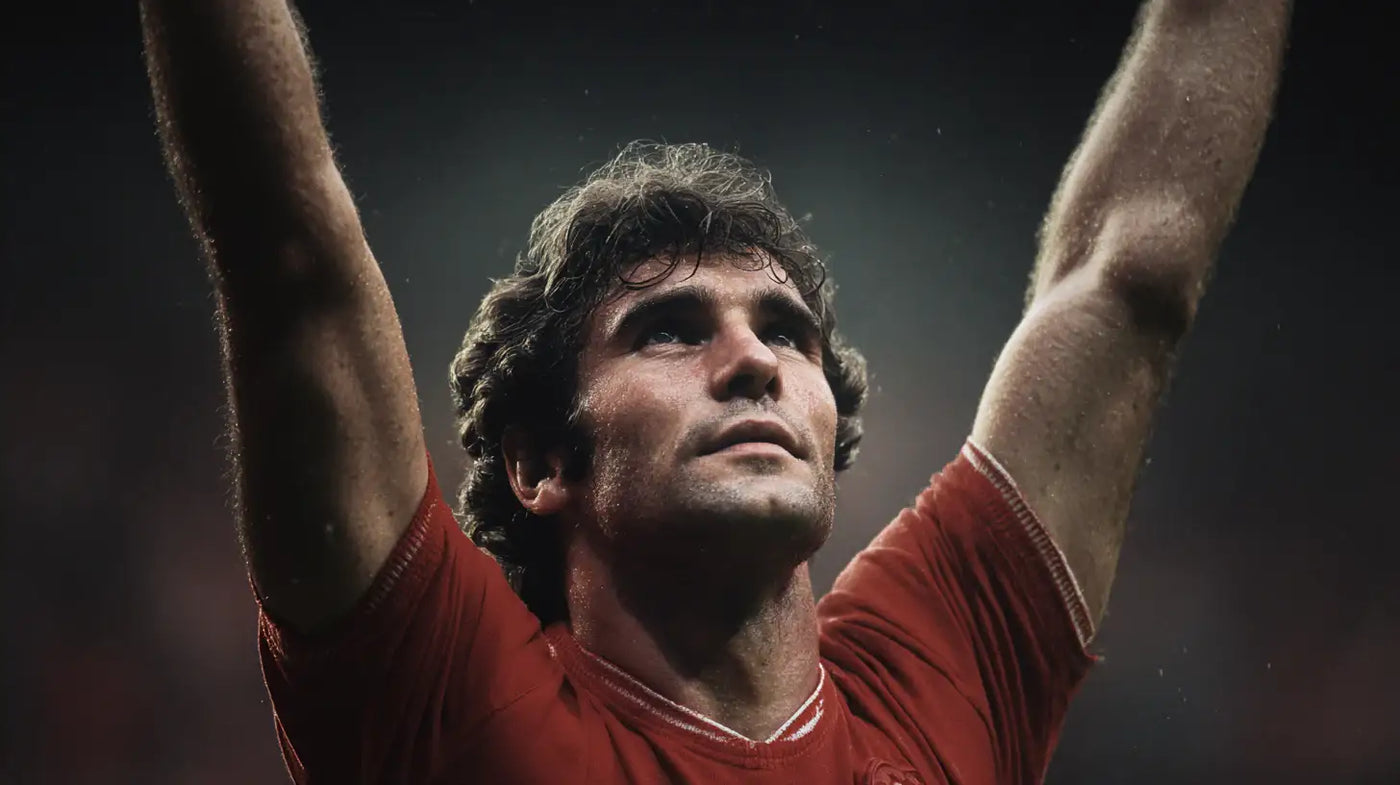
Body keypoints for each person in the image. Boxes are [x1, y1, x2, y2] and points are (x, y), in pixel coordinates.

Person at [139, 1, 1290, 782]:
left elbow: (1125, 275)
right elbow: (285, 247)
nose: (753, 360)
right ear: (540, 462)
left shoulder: (939, 671)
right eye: (668, 330)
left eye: (785, 332)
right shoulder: (439, 698)